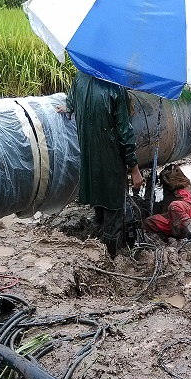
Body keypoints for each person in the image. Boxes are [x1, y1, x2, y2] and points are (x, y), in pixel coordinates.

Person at [59, 71, 143, 258]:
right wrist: (134, 168)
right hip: (110, 159)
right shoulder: (115, 87)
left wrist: (68, 108)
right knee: (113, 207)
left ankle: (97, 245)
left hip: (89, 157)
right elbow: (125, 133)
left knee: (99, 201)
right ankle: (111, 257)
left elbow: (70, 102)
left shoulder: (80, 78)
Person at [143, 164, 191, 241]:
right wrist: (150, 183)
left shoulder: (184, 186)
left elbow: (180, 180)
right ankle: (165, 239)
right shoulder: (166, 200)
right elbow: (150, 203)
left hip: (188, 215)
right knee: (148, 222)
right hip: (175, 225)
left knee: (174, 206)